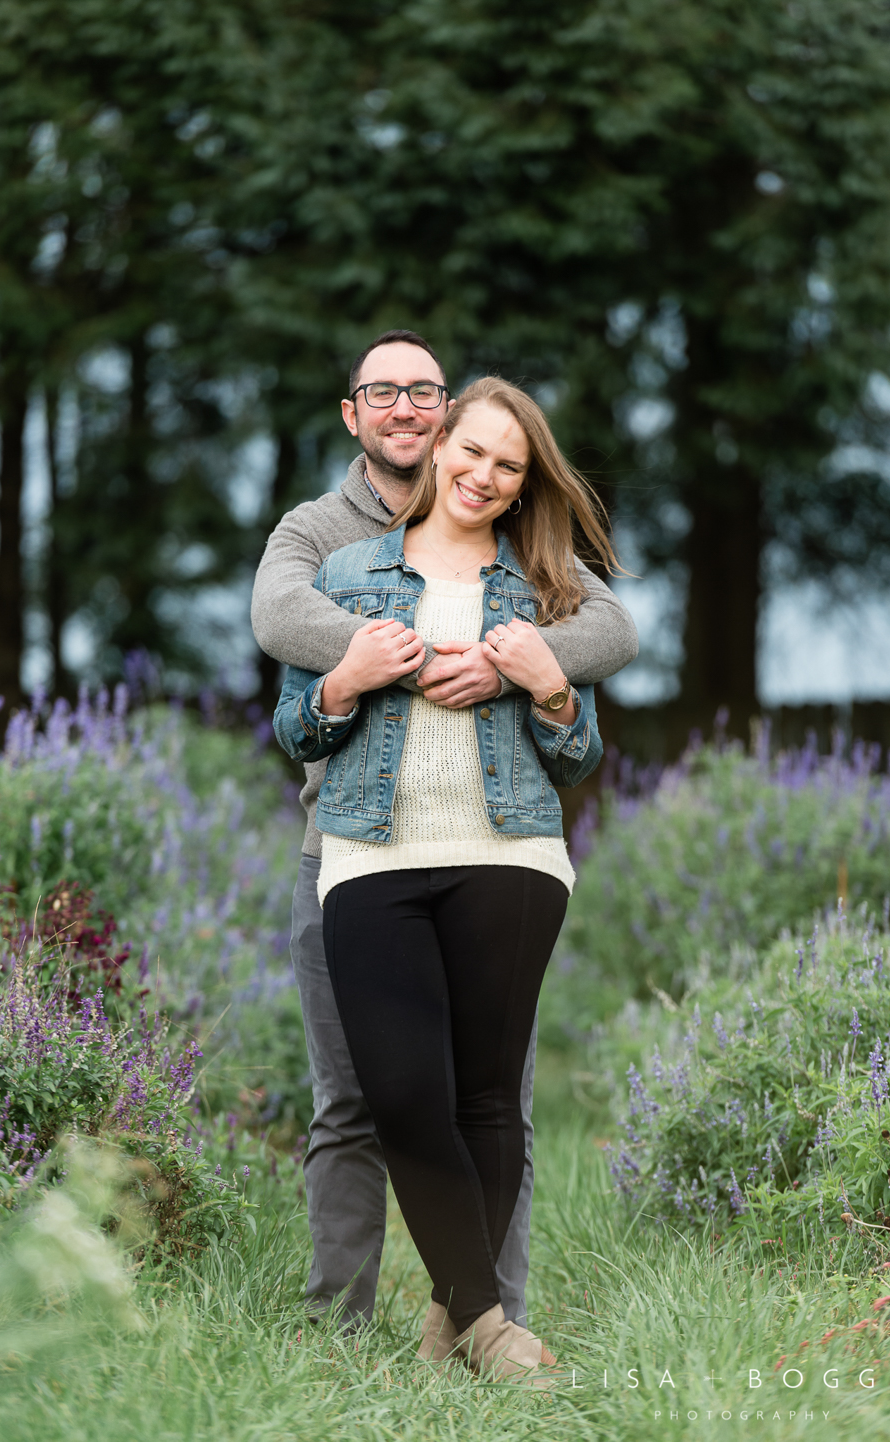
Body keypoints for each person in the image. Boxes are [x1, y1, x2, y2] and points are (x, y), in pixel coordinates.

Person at [251, 332, 638, 1334]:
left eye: (427, 391)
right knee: (361, 1097)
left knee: (493, 1093)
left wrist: (527, 665)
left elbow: (610, 633)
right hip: (348, 844)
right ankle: (341, 1321)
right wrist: (389, 657)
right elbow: (276, 620)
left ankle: (480, 1316)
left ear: (451, 414)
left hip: (499, 846)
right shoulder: (323, 538)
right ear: (354, 413)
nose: (408, 410)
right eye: (384, 392)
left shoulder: (529, 564)